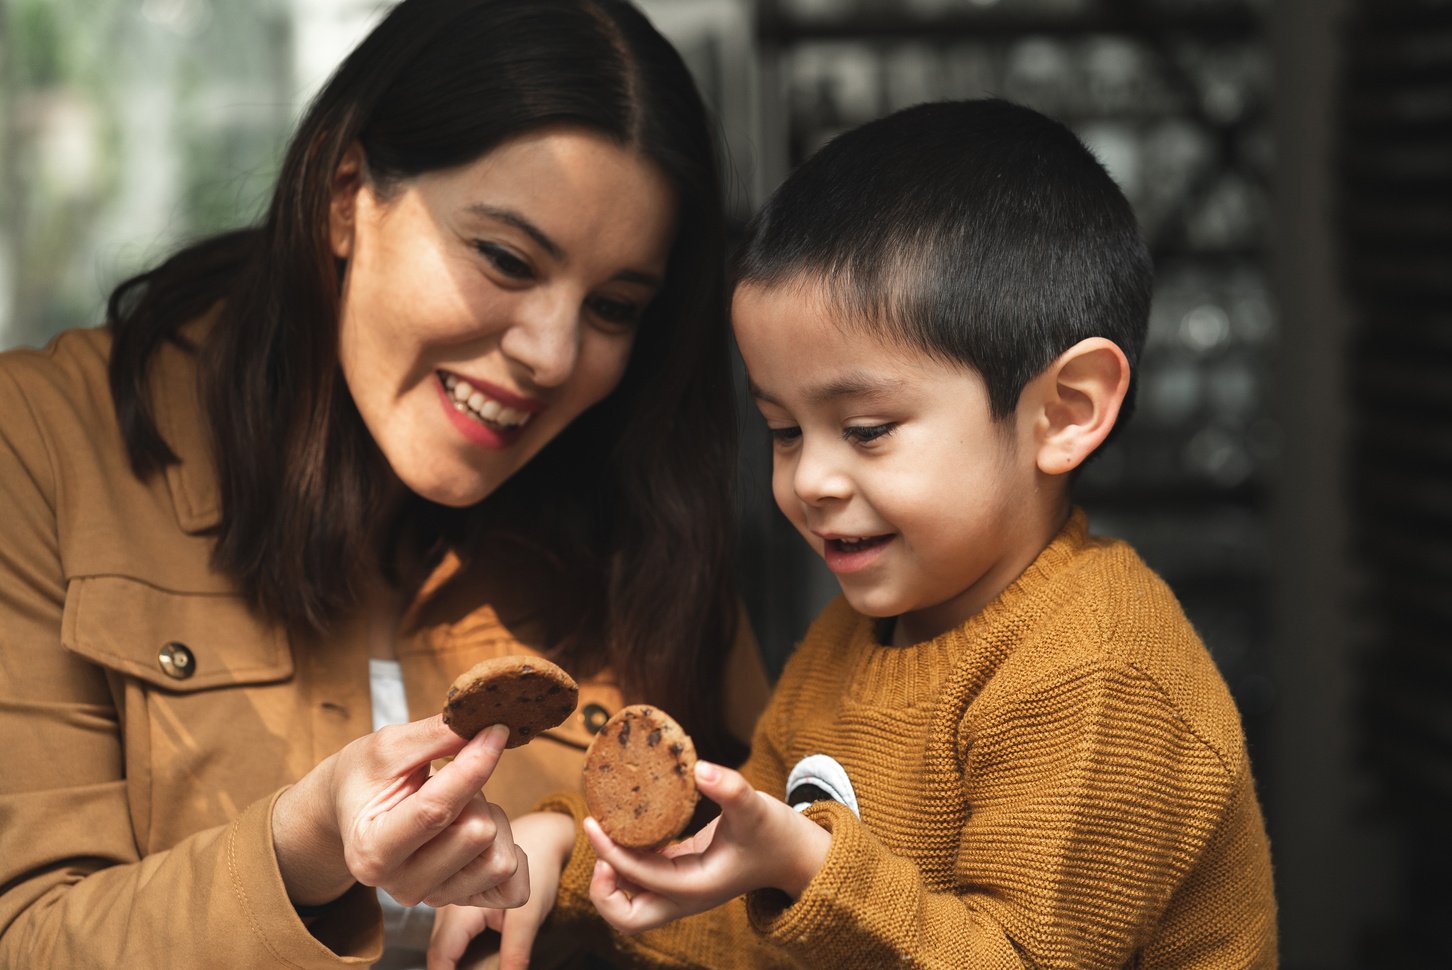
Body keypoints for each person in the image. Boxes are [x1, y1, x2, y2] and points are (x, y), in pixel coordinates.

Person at [0, 1, 769, 968]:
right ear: (344, 193)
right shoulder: (40, 447)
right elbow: (24, 938)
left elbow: (788, 879)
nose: (551, 353)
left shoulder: (643, 507)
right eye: (503, 257)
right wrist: (303, 848)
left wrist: (584, 860)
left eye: (613, 307)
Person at [455, 99, 1279, 969]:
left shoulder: (1099, 671)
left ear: (1064, 412)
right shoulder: (848, 645)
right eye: (782, 430)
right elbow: (758, 927)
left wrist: (808, 870)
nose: (809, 479)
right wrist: (573, 862)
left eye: (868, 429)